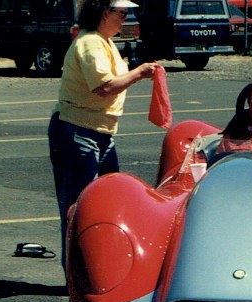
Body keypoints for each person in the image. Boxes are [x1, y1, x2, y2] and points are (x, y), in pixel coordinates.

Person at [48, 0, 159, 269]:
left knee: (107, 200)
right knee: (79, 208)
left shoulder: (105, 42)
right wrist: (140, 73)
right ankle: (77, 275)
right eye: (121, 13)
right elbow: (105, 86)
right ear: (103, 13)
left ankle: (99, 267)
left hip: (101, 132)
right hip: (78, 130)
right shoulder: (90, 43)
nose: (125, 18)